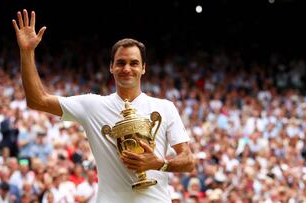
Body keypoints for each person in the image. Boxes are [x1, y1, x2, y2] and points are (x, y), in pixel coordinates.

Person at [12, 9, 195, 203]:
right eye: (120, 63)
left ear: (143, 68)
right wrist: (27, 52)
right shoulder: (93, 105)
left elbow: (189, 161)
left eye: (134, 63)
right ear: (111, 67)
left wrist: (161, 164)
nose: (126, 68)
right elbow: (37, 100)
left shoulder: (165, 107)